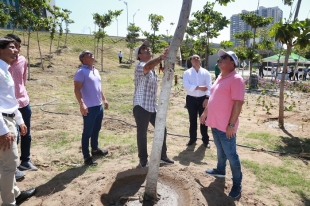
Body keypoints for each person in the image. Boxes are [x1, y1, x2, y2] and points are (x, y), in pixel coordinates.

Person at [200, 49, 245, 199]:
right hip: (215, 123)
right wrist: (205, 113)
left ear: (232, 62)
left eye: (224, 57)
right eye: (220, 57)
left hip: (226, 126)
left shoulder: (236, 79)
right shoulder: (220, 76)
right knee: (220, 151)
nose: (220, 59)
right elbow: (212, 97)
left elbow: (238, 103)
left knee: (231, 155)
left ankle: (237, 184)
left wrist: (231, 125)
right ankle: (220, 170)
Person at [0, 37, 36, 206]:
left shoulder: (5, 70)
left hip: (10, 119)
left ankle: (15, 193)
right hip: (3, 123)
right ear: (0, 50)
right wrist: (3, 130)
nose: (16, 50)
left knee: (7, 163)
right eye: (12, 47)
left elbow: (10, 99)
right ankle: (9, 203)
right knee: (10, 165)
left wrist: (20, 121)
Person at [133, 40, 174, 168]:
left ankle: (162, 155)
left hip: (151, 106)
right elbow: (148, 66)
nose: (147, 49)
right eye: (143, 49)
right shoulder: (140, 66)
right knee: (142, 133)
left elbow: (152, 67)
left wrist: (166, 59)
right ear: (139, 55)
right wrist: (161, 57)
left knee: (162, 129)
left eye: (148, 48)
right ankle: (143, 160)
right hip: (141, 105)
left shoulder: (153, 70)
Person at [6, 34, 38, 179]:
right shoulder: (3, 63)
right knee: (13, 136)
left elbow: (23, 81)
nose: (17, 50)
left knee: (26, 133)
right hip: (8, 106)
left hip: (23, 103)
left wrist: (22, 95)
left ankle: (25, 160)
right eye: (13, 47)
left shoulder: (22, 60)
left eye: (19, 47)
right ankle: (11, 167)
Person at [74, 50, 109, 166]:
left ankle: (95, 149)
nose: (91, 54)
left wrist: (104, 99)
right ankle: (86, 157)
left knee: (96, 129)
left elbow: (99, 87)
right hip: (89, 107)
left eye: (91, 53)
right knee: (87, 132)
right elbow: (77, 89)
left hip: (98, 106)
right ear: (82, 59)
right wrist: (81, 104)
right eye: (87, 53)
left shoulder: (96, 70)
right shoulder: (81, 72)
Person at [183, 54, 212, 148]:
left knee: (203, 120)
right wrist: (199, 87)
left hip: (203, 99)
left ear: (200, 60)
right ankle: (192, 139)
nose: (195, 59)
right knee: (192, 119)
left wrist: (207, 98)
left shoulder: (206, 72)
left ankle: (205, 139)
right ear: (191, 61)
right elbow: (186, 86)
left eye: (197, 58)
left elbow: (209, 86)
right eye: (193, 58)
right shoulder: (187, 73)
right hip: (191, 99)